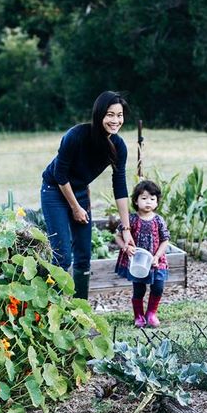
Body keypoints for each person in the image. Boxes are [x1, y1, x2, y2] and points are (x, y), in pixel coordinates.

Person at [41, 91, 134, 300]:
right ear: (99, 114)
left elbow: (119, 186)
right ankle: (52, 309)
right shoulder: (76, 136)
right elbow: (59, 174)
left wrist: (126, 229)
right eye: (110, 114)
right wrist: (75, 208)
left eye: (120, 115)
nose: (116, 120)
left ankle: (79, 311)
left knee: (84, 256)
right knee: (62, 255)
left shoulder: (118, 146)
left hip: (80, 192)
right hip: (55, 191)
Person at [115, 179, 170, 328]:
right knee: (139, 289)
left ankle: (151, 313)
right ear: (136, 200)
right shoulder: (131, 219)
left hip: (156, 261)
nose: (148, 202)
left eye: (152, 199)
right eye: (144, 198)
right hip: (138, 262)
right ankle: (138, 315)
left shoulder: (159, 220)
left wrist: (157, 256)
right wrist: (125, 248)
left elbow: (165, 240)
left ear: (157, 202)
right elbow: (118, 236)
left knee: (158, 286)